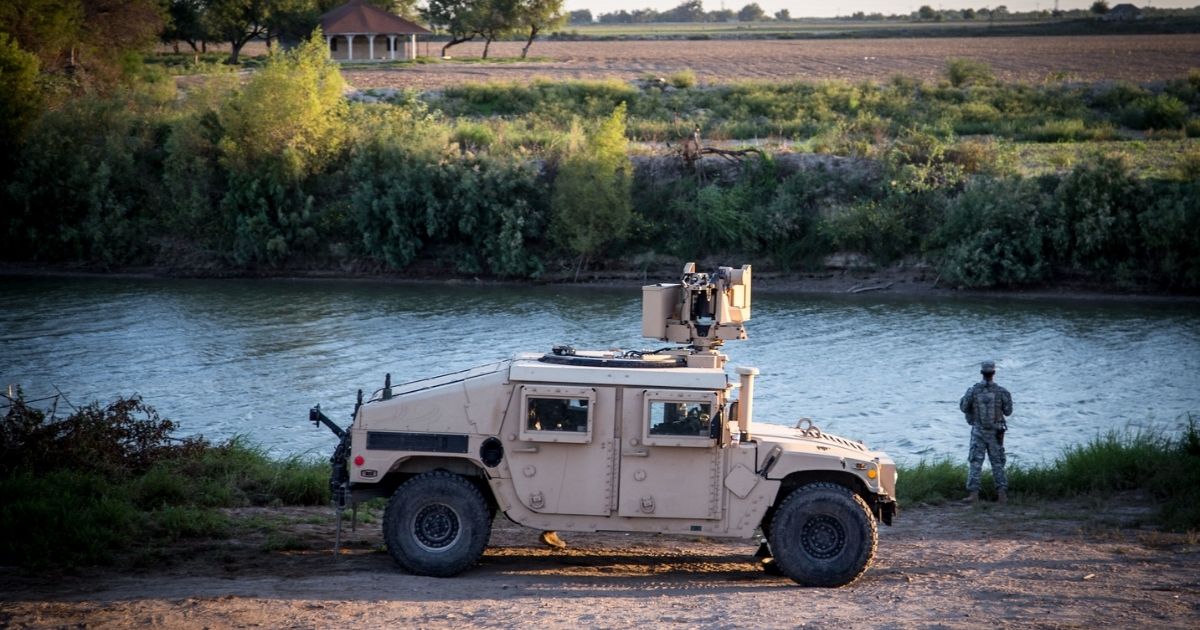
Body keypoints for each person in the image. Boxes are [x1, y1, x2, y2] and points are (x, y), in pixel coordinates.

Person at [959, 360, 1013, 504]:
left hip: (978, 432)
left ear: (982, 373)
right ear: (993, 373)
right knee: (997, 462)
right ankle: (1002, 495)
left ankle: (974, 495)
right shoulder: (1002, 392)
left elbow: (964, 407)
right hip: (996, 433)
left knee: (976, 462)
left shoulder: (973, 390)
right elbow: (1008, 411)